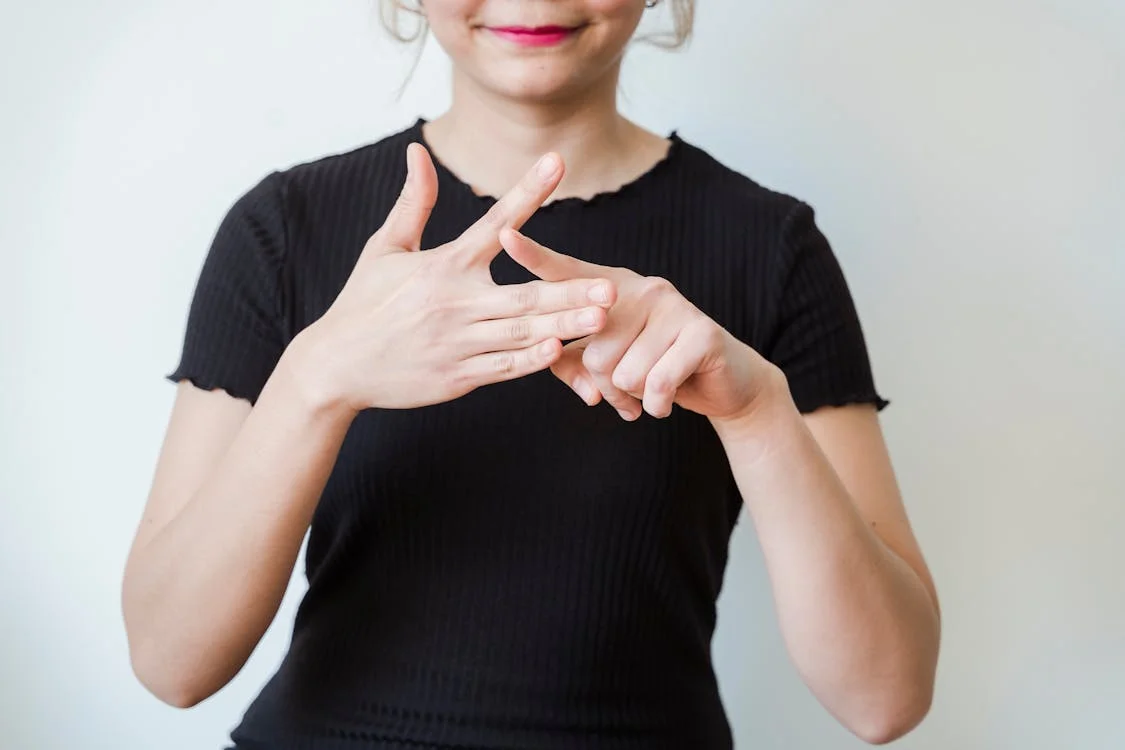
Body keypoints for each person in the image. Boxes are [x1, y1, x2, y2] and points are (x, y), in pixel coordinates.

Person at [121, 1, 942, 747]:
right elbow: (171, 661)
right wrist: (316, 381)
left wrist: (757, 410)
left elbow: (884, 698)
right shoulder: (283, 231)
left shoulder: (772, 251)